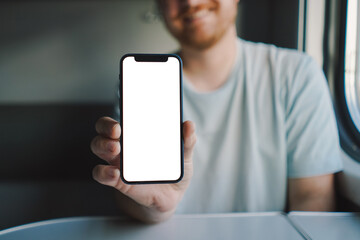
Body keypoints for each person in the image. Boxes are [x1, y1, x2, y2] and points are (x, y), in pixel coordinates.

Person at [90, 0, 343, 223]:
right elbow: (133, 196)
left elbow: (314, 200)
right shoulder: (141, 85)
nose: (190, 1)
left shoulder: (296, 75)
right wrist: (156, 208)